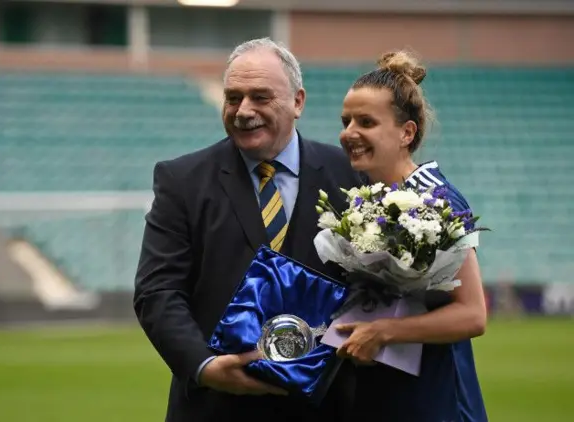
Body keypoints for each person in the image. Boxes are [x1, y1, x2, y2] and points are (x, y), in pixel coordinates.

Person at [133, 38, 364, 422]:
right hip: (216, 407)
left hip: (329, 405)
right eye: (233, 97)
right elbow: (158, 292)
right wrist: (205, 366)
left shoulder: (351, 176)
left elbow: (372, 288)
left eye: (260, 96)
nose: (243, 111)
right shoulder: (181, 180)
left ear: (298, 102)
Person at [333, 50, 489, 421]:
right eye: (346, 120)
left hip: (437, 401)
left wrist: (385, 331)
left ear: (407, 133)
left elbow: (473, 314)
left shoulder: (439, 200)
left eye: (366, 122)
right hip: (384, 395)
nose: (349, 133)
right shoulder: (365, 196)